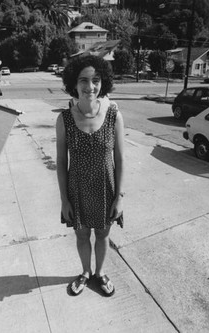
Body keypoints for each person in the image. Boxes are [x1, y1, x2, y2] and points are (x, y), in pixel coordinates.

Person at [56, 55, 125, 297]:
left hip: (106, 190)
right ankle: (85, 273)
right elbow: (61, 162)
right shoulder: (63, 120)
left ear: (102, 82)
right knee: (82, 234)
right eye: (83, 80)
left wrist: (120, 197)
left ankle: (100, 273)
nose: (90, 86)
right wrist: (64, 200)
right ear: (73, 84)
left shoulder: (114, 116)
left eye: (96, 80)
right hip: (78, 190)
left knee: (103, 234)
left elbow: (120, 159)